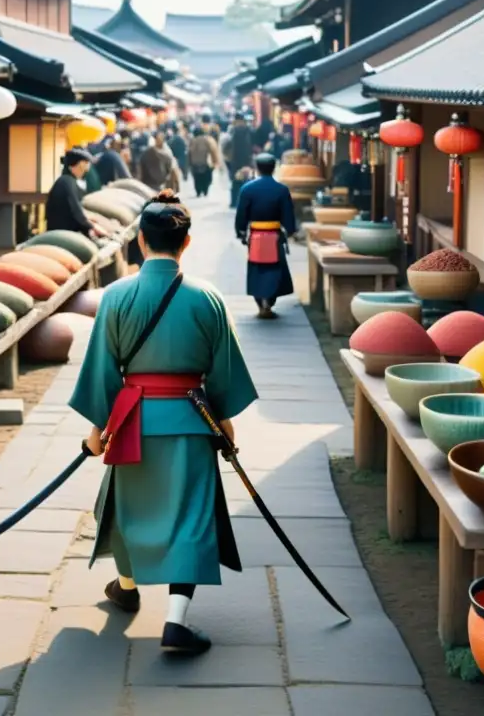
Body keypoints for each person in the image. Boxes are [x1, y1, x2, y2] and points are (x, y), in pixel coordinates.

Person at [70, 190, 257, 656]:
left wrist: (97, 435)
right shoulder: (208, 298)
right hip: (192, 422)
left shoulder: (116, 298)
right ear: (187, 242)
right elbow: (223, 371)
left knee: (129, 510)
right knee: (190, 519)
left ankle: (128, 586)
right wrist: (225, 427)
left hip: (134, 422)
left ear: (140, 241)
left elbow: (101, 371)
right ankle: (175, 621)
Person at [234, 153, 297, 319]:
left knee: (257, 270)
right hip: (274, 235)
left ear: (257, 168)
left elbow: (241, 215)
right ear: (273, 168)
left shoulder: (247, 189)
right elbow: (288, 216)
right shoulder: (282, 190)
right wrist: (290, 231)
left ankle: (260, 304)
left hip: (256, 235)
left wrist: (241, 232)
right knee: (274, 270)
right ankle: (269, 303)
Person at [45, 147, 108, 239]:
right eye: (84, 165)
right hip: (61, 234)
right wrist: (92, 227)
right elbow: (75, 212)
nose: (86, 169)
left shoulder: (68, 181)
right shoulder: (67, 183)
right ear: (75, 165)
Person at [188, 126, 220, 197]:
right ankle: (205, 190)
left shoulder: (192, 141)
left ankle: (198, 191)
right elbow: (212, 151)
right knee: (205, 177)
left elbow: (189, 153)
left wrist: (189, 163)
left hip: (195, 164)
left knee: (197, 178)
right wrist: (214, 161)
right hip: (205, 163)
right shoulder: (206, 140)